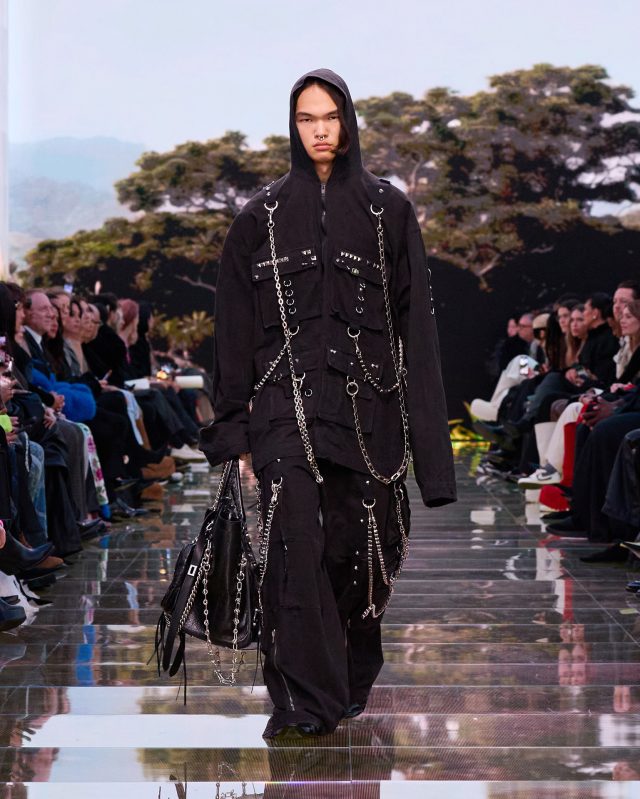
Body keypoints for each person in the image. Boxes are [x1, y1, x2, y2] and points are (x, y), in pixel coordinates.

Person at [199, 69, 456, 740]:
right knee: (295, 547)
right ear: (293, 125)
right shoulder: (257, 218)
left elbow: (417, 333)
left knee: (356, 553)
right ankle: (302, 702)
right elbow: (232, 334)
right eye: (306, 117)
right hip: (281, 410)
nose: (319, 129)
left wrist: (432, 461)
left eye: (330, 116)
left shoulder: (388, 210)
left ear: (348, 122)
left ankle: (345, 676)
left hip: (368, 416)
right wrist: (235, 434)